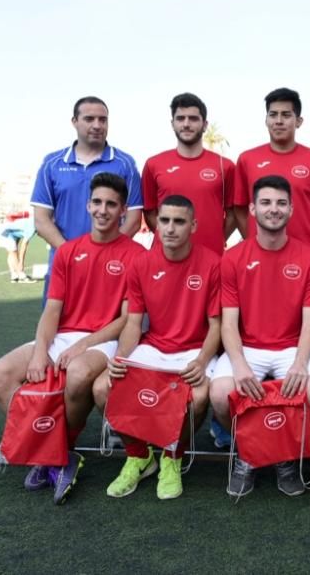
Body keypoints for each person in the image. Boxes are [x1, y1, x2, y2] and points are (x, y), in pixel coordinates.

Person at [0, 173, 145, 505]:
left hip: (105, 340)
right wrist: (40, 351)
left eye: (111, 204)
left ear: (123, 211)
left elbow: (127, 319)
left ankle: (54, 454)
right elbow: (52, 312)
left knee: (77, 374)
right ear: (88, 205)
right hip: (63, 336)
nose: (103, 210)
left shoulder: (135, 255)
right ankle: (54, 456)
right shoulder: (68, 252)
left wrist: (82, 346)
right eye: (98, 202)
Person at [92, 195, 221, 501]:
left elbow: (216, 325)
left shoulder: (213, 263)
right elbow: (134, 322)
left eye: (179, 221)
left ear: (193, 225)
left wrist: (203, 361)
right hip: (155, 346)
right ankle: (138, 455)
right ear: (156, 224)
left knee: (200, 394)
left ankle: (172, 458)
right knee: (101, 387)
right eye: (164, 221)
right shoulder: (141, 263)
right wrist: (121, 357)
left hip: (194, 349)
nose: (171, 228)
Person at [210, 175, 310, 498]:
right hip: (247, 347)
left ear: (291, 209)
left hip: (292, 347)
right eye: (265, 202)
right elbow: (229, 324)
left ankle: (285, 455)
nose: (273, 209)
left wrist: (301, 363)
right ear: (252, 209)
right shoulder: (233, 257)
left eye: (280, 203)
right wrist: (238, 363)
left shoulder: (309, 258)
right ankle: (248, 453)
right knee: (220, 393)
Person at [31, 96, 144, 297]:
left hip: (111, 267)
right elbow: (41, 220)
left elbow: (134, 220)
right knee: (58, 324)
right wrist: (73, 255)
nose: (97, 125)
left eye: (103, 120)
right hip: (65, 265)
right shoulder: (52, 164)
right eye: (89, 119)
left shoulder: (126, 164)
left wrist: (105, 254)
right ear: (74, 122)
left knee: (111, 326)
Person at [232, 88, 310, 252]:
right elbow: (239, 209)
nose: (279, 121)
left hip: (305, 262)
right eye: (273, 115)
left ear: (299, 121)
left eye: (286, 115)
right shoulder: (247, 159)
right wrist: (254, 240)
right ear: (266, 120)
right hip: (261, 258)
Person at [141, 93, 236, 256]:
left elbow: (234, 214)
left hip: (210, 258)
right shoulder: (153, 164)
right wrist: (169, 236)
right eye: (180, 118)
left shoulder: (225, 166)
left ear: (205, 124)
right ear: (172, 124)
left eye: (193, 118)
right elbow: (149, 212)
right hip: (164, 260)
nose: (186, 124)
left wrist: (214, 238)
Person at [0, 211, 37, 283]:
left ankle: (14, 276)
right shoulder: (32, 227)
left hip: (8, 232)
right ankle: (21, 276)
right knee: (13, 252)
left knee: (11, 252)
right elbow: (24, 245)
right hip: (5, 232)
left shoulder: (34, 221)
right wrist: (21, 263)